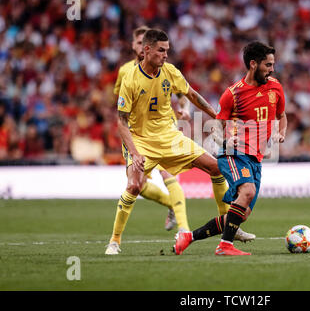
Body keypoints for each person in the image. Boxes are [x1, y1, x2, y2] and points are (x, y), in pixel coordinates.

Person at [105, 29, 255, 255]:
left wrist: (218, 117)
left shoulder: (170, 71)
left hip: (170, 137)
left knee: (216, 167)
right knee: (134, 186)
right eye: (161, 50)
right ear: (147, 50)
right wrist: (135, 153)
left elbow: (192, 95)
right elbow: (121, 123)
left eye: (167, 50)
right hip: (141, 140)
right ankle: (114, 241)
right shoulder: (130, 78)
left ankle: (229, 226)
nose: (166, 55)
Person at [174, 41, 287, 256]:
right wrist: (224, 141)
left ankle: (189, 237)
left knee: (240, 215)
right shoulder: (233, 94)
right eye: (268, 65)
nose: (272, 69)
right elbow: (216, 126)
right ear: (253, 64)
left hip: (255, 158)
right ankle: (225, 246)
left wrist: (281, 131)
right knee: (248, 191)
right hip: (233, 154)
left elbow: (282, 116)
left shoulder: (275, 87)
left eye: (273, 64)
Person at [113, 25, 191, 233]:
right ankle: (171, 205)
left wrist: (184, 109)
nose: (140, 47)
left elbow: (183, 96)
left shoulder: (165, 69)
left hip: (163, 129)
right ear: (134, 45)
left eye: (143, 43)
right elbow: (120, 105)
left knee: (169, 175)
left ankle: (184, 230)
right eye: (137, 42)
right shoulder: (125, 72)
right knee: (138, 186)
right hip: (137, 134)